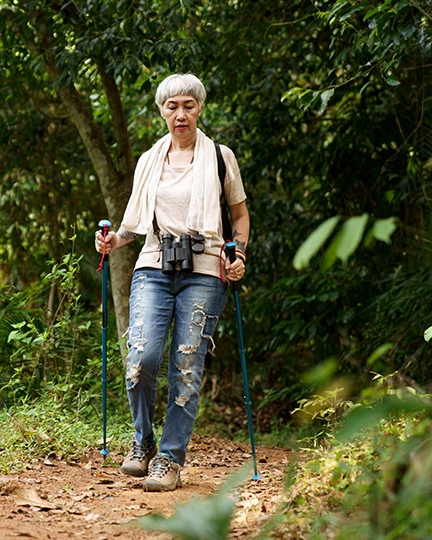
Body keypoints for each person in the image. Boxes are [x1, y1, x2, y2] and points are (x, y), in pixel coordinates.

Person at [94, 73, 249, 492]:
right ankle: (143, 441)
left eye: (188, 105)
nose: (180, 114)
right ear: (162, 111)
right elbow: (133, 225)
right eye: (172, 106)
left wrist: (238, 254)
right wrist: (112, 241)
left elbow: (239, 215)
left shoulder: (220, 157)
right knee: (141, 357)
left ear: (200, 108)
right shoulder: (149, 160)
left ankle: (170, 459)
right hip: (153, 264)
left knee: (186, 364)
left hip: (205, 270)